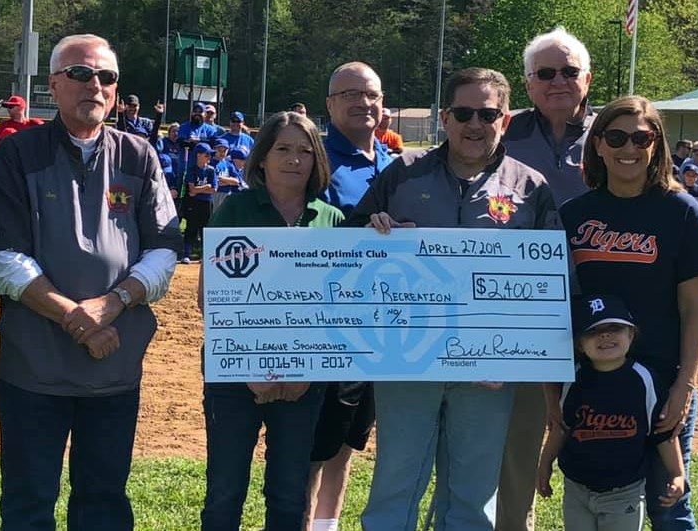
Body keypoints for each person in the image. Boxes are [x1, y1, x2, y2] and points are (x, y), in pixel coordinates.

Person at [0, 33, 181, 531]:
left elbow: (164, 249)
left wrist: (112, 304)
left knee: (104, 503)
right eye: (80, 74)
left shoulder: (139, 155)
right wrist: (79, 317)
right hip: (33, 370)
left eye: (106, 77)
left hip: (114, 370)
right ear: (53, 84)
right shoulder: (17, 154)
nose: (95, 85)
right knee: (28, 503)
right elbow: (4, 258)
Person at [355, 67, 559, 531]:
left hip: (489, 372)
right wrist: (374, 233)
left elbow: (550, 284)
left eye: (488, 114)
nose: (475, 123)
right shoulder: (402, 173)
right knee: (394, 487)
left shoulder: (530, 188)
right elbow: (351, 253)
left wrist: (513, 358)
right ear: (444, 117)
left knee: (472, 500)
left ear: (505, 120)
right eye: (464, 112)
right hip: (407, 361)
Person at [559, 95, 698, 531]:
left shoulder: (682, 211)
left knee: (669, 504)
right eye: (617, 136)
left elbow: (695, 305)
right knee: (597, 495)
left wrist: (684, 385)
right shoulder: (575, 215)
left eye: (641, 137)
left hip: (662, 379)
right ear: (599, 145)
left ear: (656, 144)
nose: (629, 147)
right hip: (597, 385)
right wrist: (556, 391)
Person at [199, 111, 342, 531]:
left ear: (317, 161)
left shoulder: (330, 220)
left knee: (288, 494)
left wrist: (305, 372)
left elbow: (337, 310)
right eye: (282, 149)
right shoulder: (235, 212)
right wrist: (250, 369)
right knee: (224, 492)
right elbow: (212, 299)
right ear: (261, 158)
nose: (293, 160)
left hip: (303, 382)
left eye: (304, 151)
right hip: (233, 378)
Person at [497, 26, 595, 531]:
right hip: (518, 309)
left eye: (569, 71)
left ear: (588, 78)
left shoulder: (615, 135)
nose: (558, 81)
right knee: (518, 436)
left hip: (600, 308)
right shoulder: (500, 131)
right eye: (545, 73)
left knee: (606, 428)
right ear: (529, 83)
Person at [305, 61, 392, 531]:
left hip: (379, 328)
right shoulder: (315, 160)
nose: (364, 103)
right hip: (328, 326)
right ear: (330, 104)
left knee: (349, 442)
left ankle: (326, 525)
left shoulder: (395, 164)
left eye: (372, 95)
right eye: (351, 95)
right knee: (316, 446)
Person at [536, 294, 684, 531]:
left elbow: (663, 431)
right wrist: (545, 464)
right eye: (594, 331)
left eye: (615, 328)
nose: (605, 335)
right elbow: (561, 428)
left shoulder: (644, 380)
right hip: (577, 489)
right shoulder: (574, 380)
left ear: (631, 334)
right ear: (578, 344)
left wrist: (677, 473)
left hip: (625, 492)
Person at [182, 141, 216, 263]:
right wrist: (205, 187)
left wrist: (199, 189)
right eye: (206, 155)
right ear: (198, 155)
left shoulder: (211, 170)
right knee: (191, 228)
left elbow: (213, 189)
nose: (209, 157)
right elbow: (191, 190)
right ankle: (186, 253)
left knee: (205, 229)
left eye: (210, 155)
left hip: (206, 203)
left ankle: (205, 255)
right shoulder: (192, 170)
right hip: (194, 202)